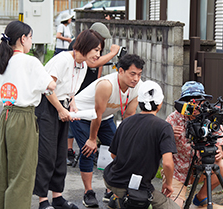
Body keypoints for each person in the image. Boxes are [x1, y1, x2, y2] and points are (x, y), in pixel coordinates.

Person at [33, 29, 104, 209]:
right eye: (96, 49)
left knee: (60, 152)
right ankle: (43, 201)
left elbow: (70, 89)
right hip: (47, 106)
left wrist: (71, 104)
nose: (98, 54)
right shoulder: (63, 59)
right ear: (86, 46)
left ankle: (57, 197)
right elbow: (47, 88)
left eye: (100, 50)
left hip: (62, 106)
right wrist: (60, 108)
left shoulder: (83, 65)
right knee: (46, 153)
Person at [0, 20, 56, 209]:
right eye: (30, 37)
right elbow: (50, 85)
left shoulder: (5, 60)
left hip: (6, 116)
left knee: (4, 171)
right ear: (22, 39)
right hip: (23, 117)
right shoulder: (30, 61)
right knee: (22, 173)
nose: (31, 41)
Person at [70, 54, 145, 207]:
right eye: (132, 74)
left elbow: (129, 115)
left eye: (139, 74)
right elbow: (96, 115)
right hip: (82, 114)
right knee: (88, 150)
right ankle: (88, 192)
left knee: (118, 150)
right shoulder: (107, 85)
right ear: (121, 71)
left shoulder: (138, 86)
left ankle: (110, 190)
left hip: (104, 117)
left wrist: (125, 139)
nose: (136, 78)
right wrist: (92, 140)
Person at [103, 80, 179, 209]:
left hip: (111, 179)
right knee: (173, 207)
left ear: (139, 102)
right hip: (137, 187)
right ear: (160, 104)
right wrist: (169, 184)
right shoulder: (164, 127)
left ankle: (118, 199)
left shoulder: (126, 122)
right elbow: (167, 163)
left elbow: (113, 154)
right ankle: (123, 200)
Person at [162, 81, 223, 208]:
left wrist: (219, 151)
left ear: (203, 101)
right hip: (178, 172)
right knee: (174, 207)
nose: (194, 105)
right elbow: (162, 147)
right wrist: (169, 135)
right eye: (189, 101)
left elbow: (219, 144)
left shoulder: (211, 117)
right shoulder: (174, 118)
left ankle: (201, 197)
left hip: (203, 166)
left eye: (198, 101)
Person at [67, 22, 120, 166]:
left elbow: (98, 68)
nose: (100, 46)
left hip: (90, 89)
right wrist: (112, 53)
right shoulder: (77, 45)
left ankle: (88, 150)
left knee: (91, 123)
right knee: (72, 124)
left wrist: (97, 84)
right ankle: (69, 150)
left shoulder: (97, 50)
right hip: (76, 90)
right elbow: (92, 64)